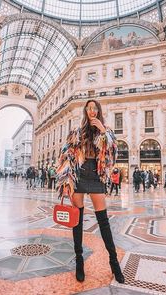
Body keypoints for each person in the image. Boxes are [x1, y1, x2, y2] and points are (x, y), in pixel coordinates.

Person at [56, 100, 124, 284]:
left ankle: (114, 262)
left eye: (95, 108)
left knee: (103, 220)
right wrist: (67, 181)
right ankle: (79, 260)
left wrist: (103, 131)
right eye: (89, 109)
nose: (92, 111)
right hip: (79, 176)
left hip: (96, 176)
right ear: (86, 112)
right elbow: (66, 155)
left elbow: (113, 154)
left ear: (99, 111)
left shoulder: (106, 131)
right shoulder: (78, 132)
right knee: (77, 220)